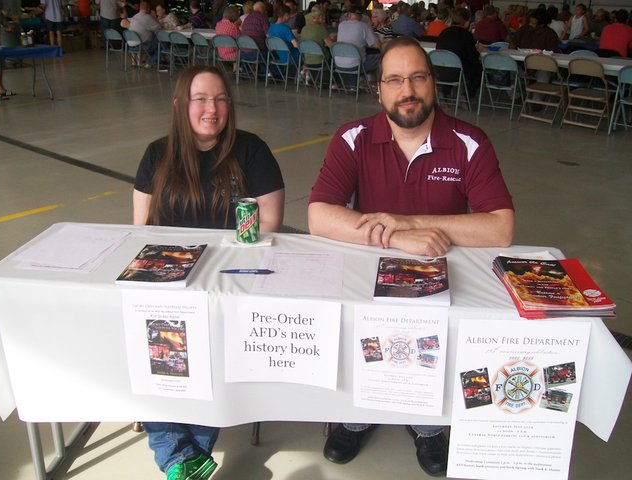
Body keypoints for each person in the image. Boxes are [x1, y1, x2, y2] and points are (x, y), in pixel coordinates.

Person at [308, 36, 514, 477]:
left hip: (439, 275)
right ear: (378, 89)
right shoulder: (354, 137)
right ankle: (356, 414)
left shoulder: (467, 142)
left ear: (433, 84)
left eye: (418, 77)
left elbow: (500, 226)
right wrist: (398, 236)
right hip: (370, 272)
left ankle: (425, 426)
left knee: (429, 344)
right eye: (395, 80)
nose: (408, 91)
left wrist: (410, 222)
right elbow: (319, 216)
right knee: (356, 331)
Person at [133, 65, 285, 480]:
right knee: (158, 347)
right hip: (169, 285)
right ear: (182, 105)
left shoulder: (251, 151)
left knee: (211, 345)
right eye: (200, 99)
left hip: (229, 283)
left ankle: (182, 456)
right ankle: (185, 459)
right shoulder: (156, 154)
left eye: (219, 99)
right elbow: (140, 232)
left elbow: (268, 224)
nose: (211, 109)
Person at [436, 7, 482, 98]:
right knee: (478, 69)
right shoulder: (466, 35)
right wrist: (478, 51)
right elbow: (473, 58)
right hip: (459, 72)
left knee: (450, 64)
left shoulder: (443, 32)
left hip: (440, 70)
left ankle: (444, 91)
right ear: (466, 22)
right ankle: (466, 96)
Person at [335, 5, 381, 83]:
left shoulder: (341, 25)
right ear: (361, 16)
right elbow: (377, 45)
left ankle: (356, 83)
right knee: (381, 57)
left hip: (338, 64)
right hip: (357, 65)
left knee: (356, 56)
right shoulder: (364, 26)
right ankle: (370, 81)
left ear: (349, 15)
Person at [127, 1, 161, 68]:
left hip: (130, 46)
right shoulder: (147, 17)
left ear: (140, 8)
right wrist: (154, 17)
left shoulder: (134, 17)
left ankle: (147, 61)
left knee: (154, 43)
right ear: (148, 9)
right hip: (142, 46)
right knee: (161, 46)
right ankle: (149, 62)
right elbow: (158, 27)